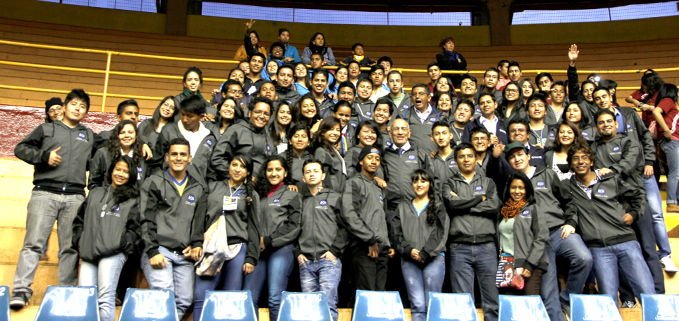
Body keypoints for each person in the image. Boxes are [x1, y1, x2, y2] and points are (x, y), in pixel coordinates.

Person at [11, 89, 95, 309]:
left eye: (83, 106)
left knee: (69, 248)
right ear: (65, 107)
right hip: (44, 193)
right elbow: (20, 148)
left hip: (75, 197)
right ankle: (21, 290)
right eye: (74, 104)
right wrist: (43, 157)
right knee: (33, 245)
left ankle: (66, 291)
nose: (78, 109)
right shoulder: (47, 129)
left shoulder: (88, 135)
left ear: (86, 112)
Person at [503, 141, 591, 321]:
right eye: (511, 157)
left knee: (584, 258)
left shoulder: (547, 173)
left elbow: (568, 201)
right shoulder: (512, 184)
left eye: (520, 154)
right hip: (538, 243)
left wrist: (571, 222)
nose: (516, 159)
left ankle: (567, 298)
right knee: (548, 292)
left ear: (528, 156)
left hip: (559, 231)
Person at [590, 108, 665, 303]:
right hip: (612, 206)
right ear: (596, 127)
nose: (606, 124)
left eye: (609, 121)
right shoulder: (594, 148)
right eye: (601, 122)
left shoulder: (629, 141)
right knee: (619, 248)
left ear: (616, 124)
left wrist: (610, 171)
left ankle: (659, 294)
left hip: (635, 200)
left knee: (647, 247)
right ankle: (627, 296)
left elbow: (630, 163)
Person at [567, 144, 655, 303]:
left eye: (584, 158)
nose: (580, 162)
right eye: (575, 158)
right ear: (570, 164)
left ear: (592, 162)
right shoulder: (568, 188)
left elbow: (638, 195)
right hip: (599, 250)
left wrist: (634, 214)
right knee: (609, 301)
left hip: (626, 242)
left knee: (647, 294)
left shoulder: (610, 179)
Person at [140, 137, 206, 320]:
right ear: (167, 157)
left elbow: (198, 222)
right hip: (159, 250)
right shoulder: (154, 181)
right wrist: (152, 251)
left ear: (190, 158)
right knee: (164, 296)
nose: (178, 158)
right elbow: (145, 219)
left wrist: (196, 243)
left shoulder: (198, 187)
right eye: (174, 154)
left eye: (183, 154)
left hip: (184, 255)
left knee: (185, 300)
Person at [193, 153, 260, 321]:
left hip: (237, 248)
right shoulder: (212, 187)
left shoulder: (251, 195)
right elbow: (199, 217)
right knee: (202, 296)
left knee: (231, 298)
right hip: (211, 248)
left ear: (248, 172)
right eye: (235, 165)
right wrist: (196, 242)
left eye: (243, 167)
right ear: (229, 166)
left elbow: (254, 227)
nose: (237, 169)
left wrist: (251, 257)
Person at [72, 155, 140, 321]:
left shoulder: (133, 199)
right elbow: (79, 220)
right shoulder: (95, 193)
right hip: (89, 253)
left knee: (105, 298)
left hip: (113, 253)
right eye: (118, 169)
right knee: (85, 298)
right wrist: (79, 240)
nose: (120, 174)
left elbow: (136, 228)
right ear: (111, 171)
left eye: (125, 171)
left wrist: (122, 243)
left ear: (130, 175)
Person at [443, 143, 501, 321]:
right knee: (463, 303)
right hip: (460, 246)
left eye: (470, 156)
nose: (466, 160)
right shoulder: (449, 182)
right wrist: (478, 199)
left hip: (487, 247)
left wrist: (464, 204)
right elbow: (451, 204)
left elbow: (493, 206)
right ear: (455, 161)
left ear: (476, 159)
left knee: (492, 302)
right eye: (461, 156)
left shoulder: (488, 182)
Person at [245, 155, 301, 321]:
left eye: (278, 169)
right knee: (248, 297)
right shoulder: (257, 194)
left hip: (281, 250)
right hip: (258, 252)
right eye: (270, 169)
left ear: (285, 173)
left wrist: (268, 240)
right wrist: (257, 242)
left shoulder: (292, 194)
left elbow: (295, 226)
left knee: (275, 298)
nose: (274, 173)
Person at [393, 169, 448, 321]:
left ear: (430, 184)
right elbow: (396, 234)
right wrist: (409, 251)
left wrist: (425, 253)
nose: (419, 184)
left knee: (433, 305)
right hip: (409, 261)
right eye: (416, 181)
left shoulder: (439, 206)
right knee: (417, 305)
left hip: (434, 260)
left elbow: (441, 233)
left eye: (423, 181)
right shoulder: (402, 207)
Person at [296, 159, 347, 321]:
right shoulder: (299, 200)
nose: (312, 174)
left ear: (323, 175)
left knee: (327, 306)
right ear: (303, 178)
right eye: (308, 172)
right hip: (306, 262)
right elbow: (293, 229)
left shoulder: (335, 197)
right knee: (309, 310)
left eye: (315, 171)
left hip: (328, 261)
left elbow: (345, 227)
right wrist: (298, 252)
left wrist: (334, 251)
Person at [342, 146, 394, 291]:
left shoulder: (378, 187)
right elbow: (349, 213)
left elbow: (382, 217)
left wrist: (388, 243)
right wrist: (369, 239)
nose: (374, 161)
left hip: (382, 248)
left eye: (377, 159)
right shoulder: (353, 183)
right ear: (360, 162)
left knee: (380, 296)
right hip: (364, 247)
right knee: (367, 294)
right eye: (369, 158)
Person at [498, 172, 549, 296]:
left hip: (529, 265)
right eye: (513, 187)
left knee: (529, 305)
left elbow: (541, 238)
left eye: (521, 188)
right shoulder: (503, 211)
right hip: (508, 265)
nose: (517, 191)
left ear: (527, 189)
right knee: (509, 306)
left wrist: (529, 264)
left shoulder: (533, 209)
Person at [152, 95, 217, 180]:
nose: (185, 119)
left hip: (197, 190)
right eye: (182, 114)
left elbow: (211, 172)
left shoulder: (209, 138)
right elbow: (156, 162)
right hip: (168, 186)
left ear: (201, 117)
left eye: (189, 116)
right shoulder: (168, 131)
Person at [650, 83, 679, 271]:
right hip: (671, 141)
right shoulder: (668, 101)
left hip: (672, 141)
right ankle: (672, 202)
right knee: (675, 173)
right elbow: (656, 112)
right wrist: (666, 131)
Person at [212, 97, 275, 180]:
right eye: (258, 112)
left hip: (262, 185)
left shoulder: (268, 134)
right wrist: (240, 177)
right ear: (249, 113)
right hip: (238, 185)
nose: (262, 116)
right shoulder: (236, 130)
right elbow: (217, 159)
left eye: (266, 114)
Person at [385, 119, 431, 213]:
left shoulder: (420, 154)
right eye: (396, 129)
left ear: (409, 133)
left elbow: (432, 180)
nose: (400, 132)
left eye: (403, 129)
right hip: (391, 210)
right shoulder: (384, 156)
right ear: (390, 133)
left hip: (416, 208)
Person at [89, 120, 147, 191]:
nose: (127, 135)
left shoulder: (143, 154)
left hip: (135, 199)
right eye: (122, 133)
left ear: (136, 135)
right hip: (107, 199)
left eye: (130, 132)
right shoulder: (103, 153)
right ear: (116, 136)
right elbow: (93, 182)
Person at [399, 84, 442, 153]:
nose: (417, 96)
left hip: (433, 158)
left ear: (429, 98)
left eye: (421, 94)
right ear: (411, 98)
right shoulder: (403, 115)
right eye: (414, 94)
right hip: (411, 159)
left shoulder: (440, 115)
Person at [311, 117, 347, 192]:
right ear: (322, 132)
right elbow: (321, 177)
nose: (335, 133)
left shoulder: (333, 150)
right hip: (329, 195)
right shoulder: (321, 151)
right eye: (331, 129)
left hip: (338, 194)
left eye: (338, 130)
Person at [285, 124, 313, 189]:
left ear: (308, 142)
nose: (300, 139)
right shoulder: (282, 158)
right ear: (290, 141)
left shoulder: (312, 158)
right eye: (296, 136)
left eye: (304, 136)